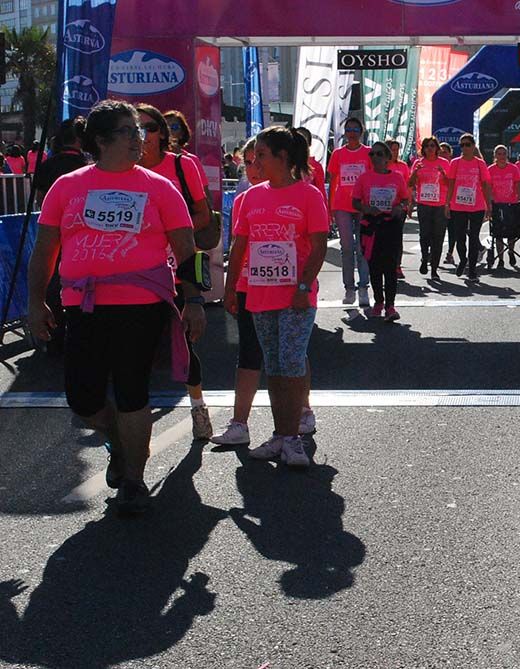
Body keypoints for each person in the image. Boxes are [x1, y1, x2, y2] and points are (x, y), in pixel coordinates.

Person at [26, 100, 207, 513]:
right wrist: (35, 303)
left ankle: (134, 482)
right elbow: (44, 250)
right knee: (83, 399)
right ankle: (118, 443)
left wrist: (194, 300)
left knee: (132, 391)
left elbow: (187, 250)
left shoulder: (160, 187)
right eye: (129, 131)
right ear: (102, 140)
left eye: (139, 131)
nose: (138, 139)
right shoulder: (66, 187)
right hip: (82, 306)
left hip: (142, 305)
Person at [225, 126, 327, 468]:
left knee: (291, 362)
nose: (255, 162)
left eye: (262, 155)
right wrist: (230, 289)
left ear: (283, 157)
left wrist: (303, 287)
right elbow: (239, 246)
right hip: (259, 295)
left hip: (296, 297)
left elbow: (319, 246)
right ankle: (281, 435)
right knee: (274, 365)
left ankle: (293, 438)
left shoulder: (309, 195)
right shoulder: (251, 197)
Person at [136, 103, 214, 441]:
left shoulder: (182, 164)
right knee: (137, 347)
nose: (143, 135)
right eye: (136, 127)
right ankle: (132, 425)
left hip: (177, 267)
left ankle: (197, 406)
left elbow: (204, 214)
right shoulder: (122, 170)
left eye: (150, 128)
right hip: (139, 271)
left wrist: (172, 234)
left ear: (161, 134)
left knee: (183, 343)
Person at [32, 117, 90, 356]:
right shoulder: (87, 166)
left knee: (53, 280)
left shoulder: (48, 165)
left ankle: (54, 336)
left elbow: (40, 200)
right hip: (82, 235)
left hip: (53, 231)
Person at [352, 141, 410, 322]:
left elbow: (405, 200)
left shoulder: (397, 177)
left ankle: (390, 306)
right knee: (374, 266)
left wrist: (399, 207)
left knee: (390, 266)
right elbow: (355, 202)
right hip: (371, 225)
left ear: (387, 158)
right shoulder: (364, 178)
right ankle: (378, 301)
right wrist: (367, 208)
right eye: (372, 154)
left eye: (379, 154)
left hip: (390, 225)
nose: (374, 157)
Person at [327, 117, 372, 308]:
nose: (352, 133)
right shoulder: (338, 153)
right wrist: (330, 207)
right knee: (346, 248)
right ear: (344, 133)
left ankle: (363, 288)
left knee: (362, 248)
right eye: (348, 129)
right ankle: (349, 288)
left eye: (355, 129)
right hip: (342, 206)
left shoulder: (368, 152)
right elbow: (333, 181)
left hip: (362, 206)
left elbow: (373, 179)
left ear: (361, 132)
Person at [445, 133, 492, 283]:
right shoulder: (455, 163)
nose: (465, 148)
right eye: (462, 145)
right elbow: (451, 184)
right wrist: (447, 204)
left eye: (467, 145)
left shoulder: (480, 164)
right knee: (460, 237)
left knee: (473, 237)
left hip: (476, 206)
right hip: (458, 206)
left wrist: (488, 205)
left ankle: (472, 270)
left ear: (473, 146)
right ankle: (463, 259)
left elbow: (485, 184)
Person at [409, 136, 449, 280]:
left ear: (437, 148)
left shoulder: (444, 163)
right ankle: (425, 258)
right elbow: (410, 183)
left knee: (438, 237)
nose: (430, 148)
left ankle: (434, 269)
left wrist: (443, 174)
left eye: (432, 146)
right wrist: (415, 172)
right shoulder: (418, 163)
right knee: (425, 235)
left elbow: (450, 184)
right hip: (424, 204)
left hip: (440, 205)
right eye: (427, 146)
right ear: (424, 149)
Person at [487, 144, 520, 270]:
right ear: (495, 155)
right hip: (497, 203)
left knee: (511, 231)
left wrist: (519, 197)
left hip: (511, 203)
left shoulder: (513, 168)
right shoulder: (490, 169)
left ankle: (511, 252)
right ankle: (500, 258)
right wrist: (489, 201)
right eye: (499, 154)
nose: (502, 156)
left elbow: (517, 184)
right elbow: (488, 187)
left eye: (504, 154)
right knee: (498, 232)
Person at [387, 139, 411, 280]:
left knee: (397, 237)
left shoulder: (403, 166)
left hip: (399, 207)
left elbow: (408, 185)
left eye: (396, 150)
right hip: (383, 207)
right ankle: (385, 265)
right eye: (392, 149)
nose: (395, 152)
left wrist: (408, 203)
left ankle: (397, 265)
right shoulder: (380, 165)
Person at [294, 127, 328, 198]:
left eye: (303, 140)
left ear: (309, 144)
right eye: (297, 140)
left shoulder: (316, 166)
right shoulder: (286, 164)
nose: (300, 143)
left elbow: (321, 192)